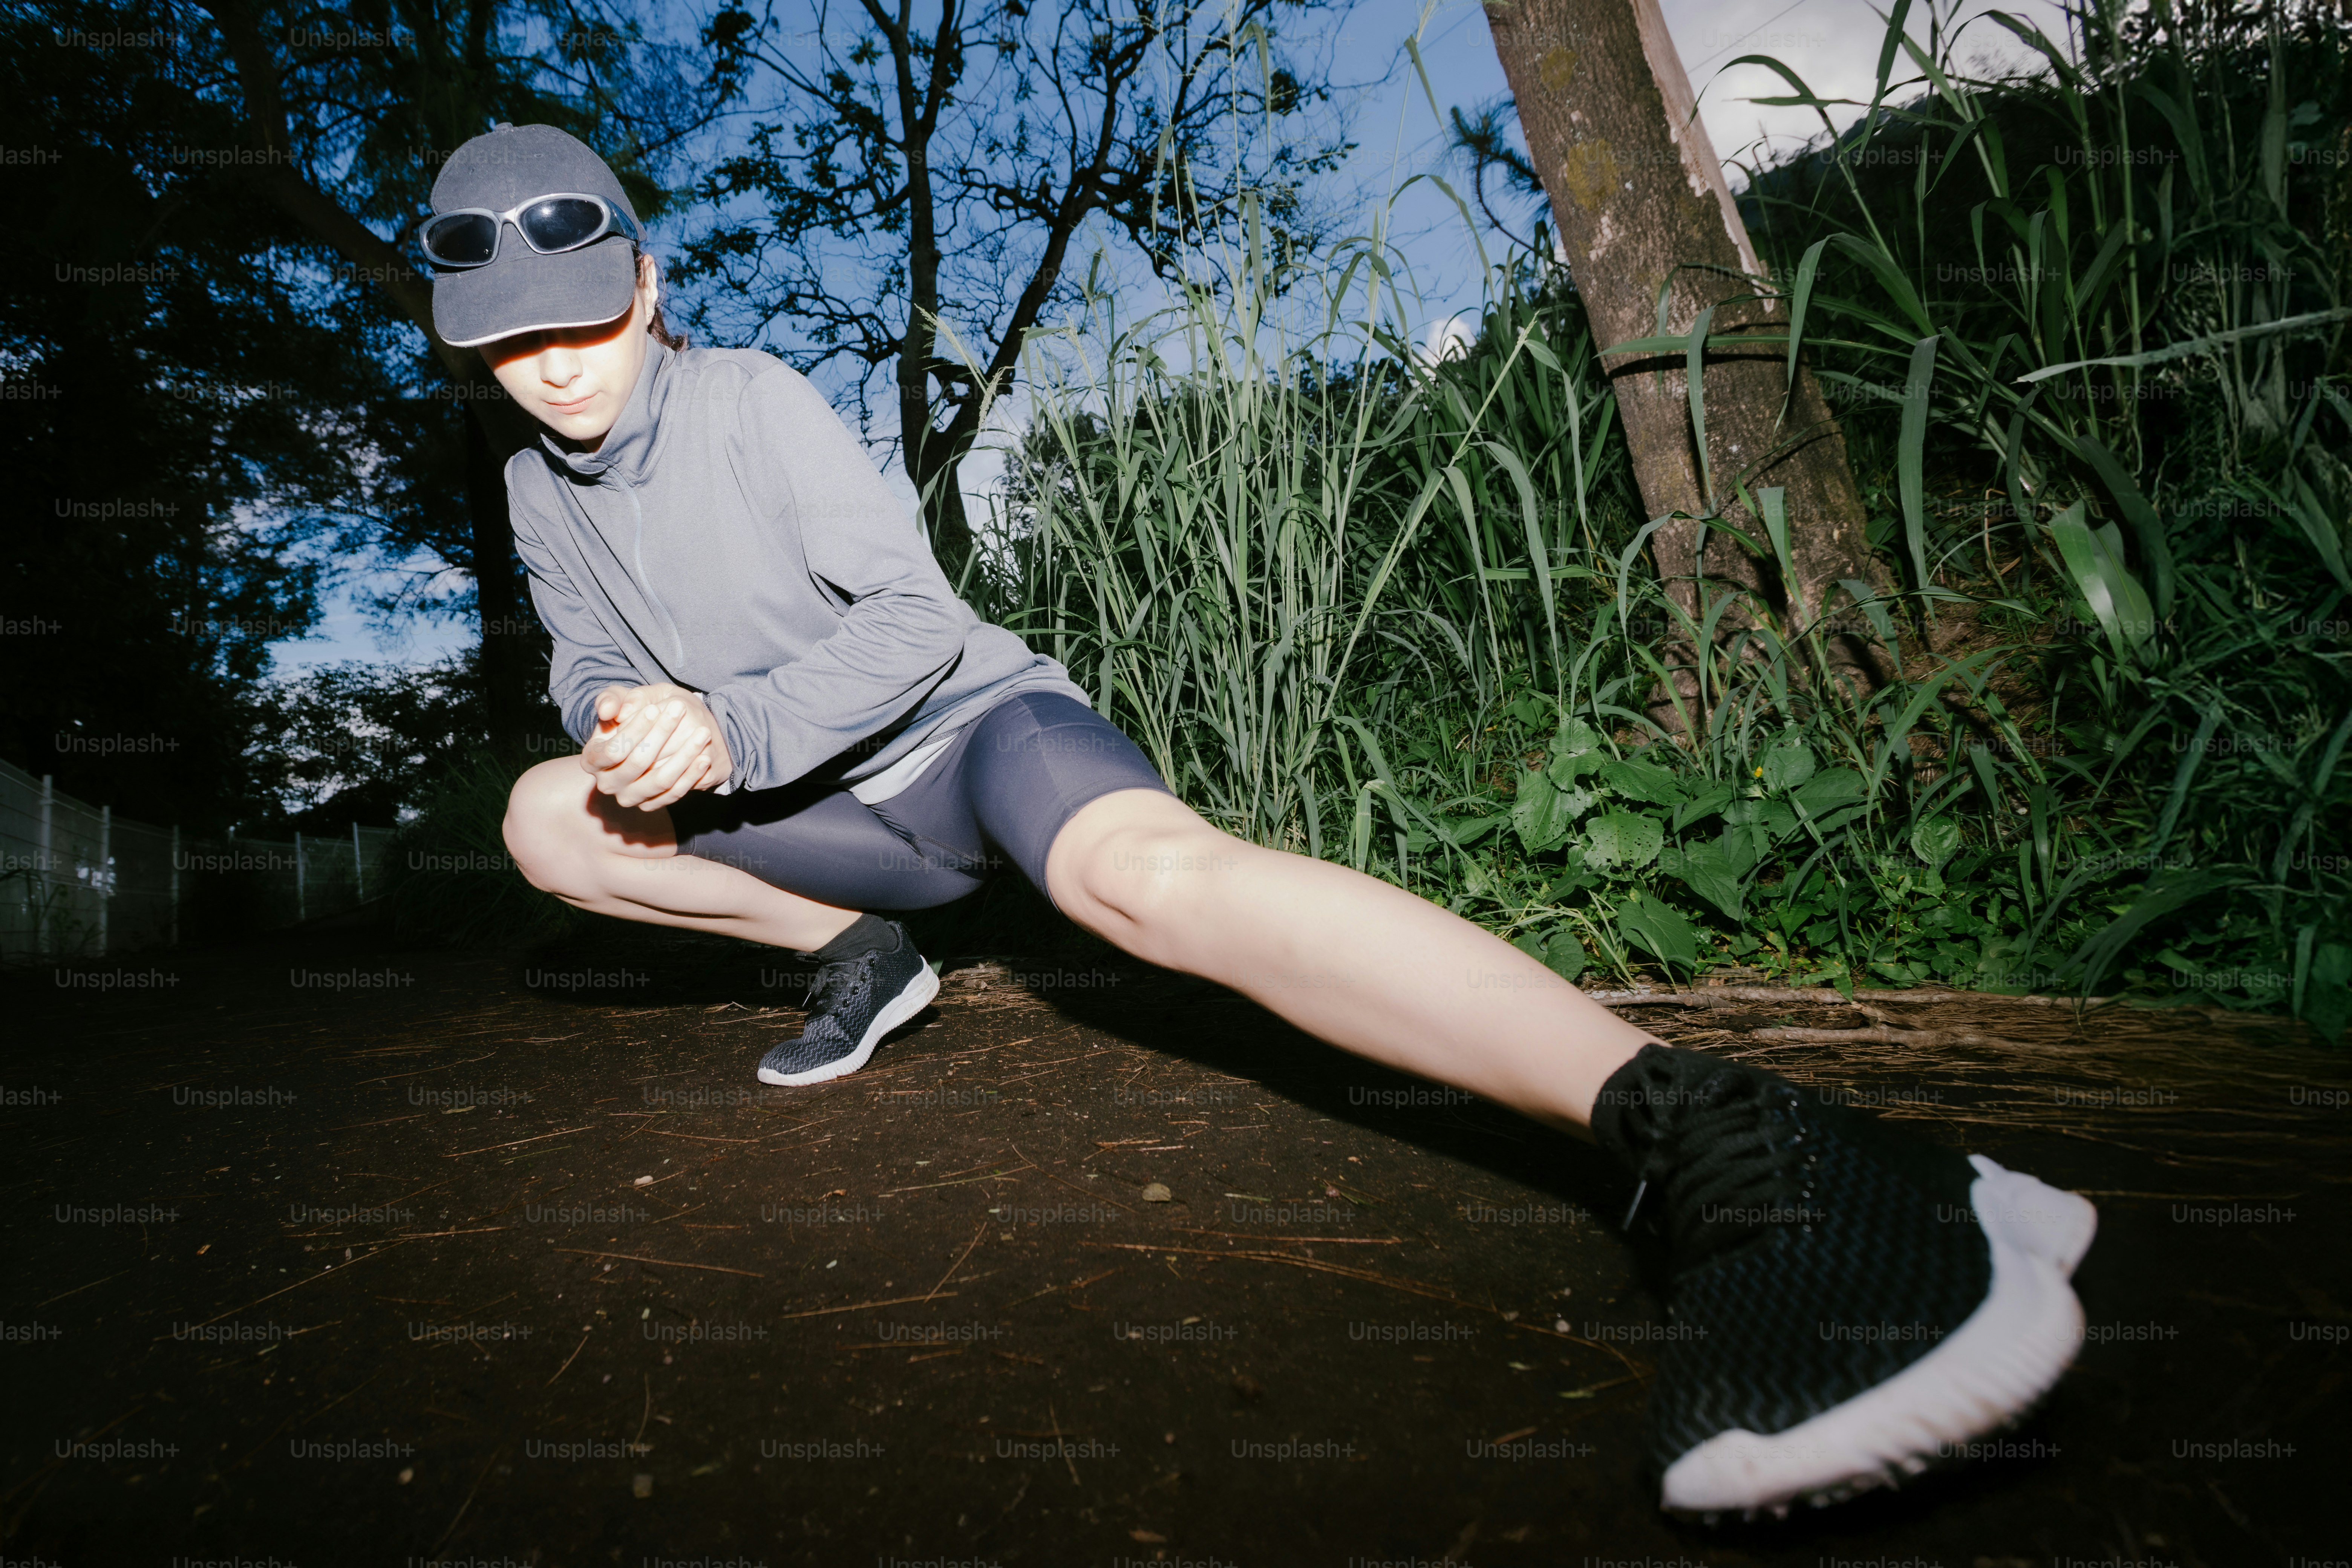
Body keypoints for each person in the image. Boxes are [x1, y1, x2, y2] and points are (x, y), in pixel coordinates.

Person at [435, 122, 2096, 1522]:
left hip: (962, 738)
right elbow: (584, 645)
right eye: (509, 340)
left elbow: (915, 619)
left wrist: (731, 725)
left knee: (1150, 881)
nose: (554, 360)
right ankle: (866, 953)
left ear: (648, 287)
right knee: (543, 818)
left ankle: (1739, 1144)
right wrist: (615, 720)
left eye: (583, 314)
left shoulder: (749, 404)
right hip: (824, 827)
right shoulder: (531, 485)